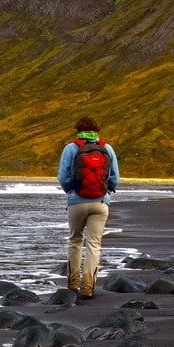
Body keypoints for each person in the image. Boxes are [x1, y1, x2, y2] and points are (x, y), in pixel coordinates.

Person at [57, 116, 120, 299]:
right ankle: (88, 286)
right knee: (94, 244)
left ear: (78, 130)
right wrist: (106, 191)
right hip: (100, 203)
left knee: (75, 240)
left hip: (76, 201)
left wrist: (71, 192)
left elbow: (63, 176)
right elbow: (115, 177)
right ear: (96, 130)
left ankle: (73, 283)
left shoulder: (71, 148)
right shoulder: (107, 148)